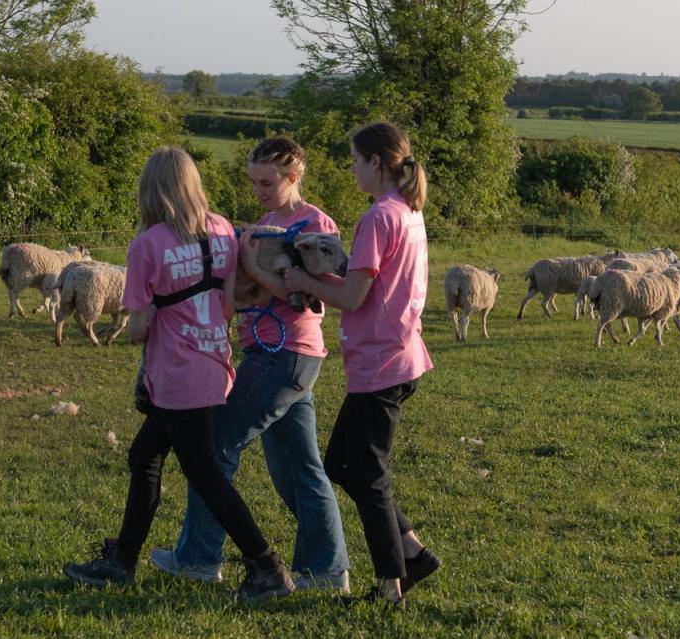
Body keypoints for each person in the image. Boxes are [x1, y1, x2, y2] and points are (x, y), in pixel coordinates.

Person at [62, 146, 294, 604]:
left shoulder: (148, 244)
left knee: (204, 474)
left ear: (150, 190)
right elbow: (228, 305)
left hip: (175, 375)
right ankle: (122, 559)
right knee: (144, 456)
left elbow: (140, 329)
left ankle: (266, 565)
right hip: (212, 364)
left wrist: (158, 310)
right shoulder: (222, 230)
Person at [150, 137, 351, 592]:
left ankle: (199, 558)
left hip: (284, 354)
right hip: (279, 355)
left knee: (217, 446)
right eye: (254, 182)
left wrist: (251, 268)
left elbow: (308, 299)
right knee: (299, 467)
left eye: (267, 182)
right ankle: (326, 569)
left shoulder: (313, 223)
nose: (258, 190)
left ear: (293, 177)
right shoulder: (265, 224)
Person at [283, 122, 440, 606]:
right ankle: (412, 552)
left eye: (354, 160)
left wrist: (302, 281)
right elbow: (367, 281)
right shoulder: (407, 212)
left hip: (381, 363)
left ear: (376, 162)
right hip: (398, 355)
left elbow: (353, 295)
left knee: (368, 477)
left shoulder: (378, 217)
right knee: (341, 465)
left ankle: (391, 587)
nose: (351, 168)